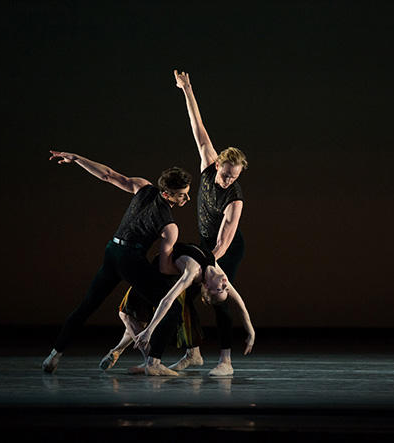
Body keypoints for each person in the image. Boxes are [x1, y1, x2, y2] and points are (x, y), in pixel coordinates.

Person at [41, 150, 192, 373]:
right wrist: (189, 270)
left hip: (112, 252)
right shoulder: (170, 227)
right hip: (131, 260)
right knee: (172, 310)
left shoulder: (143, 187)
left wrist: (78, 159)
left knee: (87, 305)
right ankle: (154, 363)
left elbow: (108, 175)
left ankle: (54, 356)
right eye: (182, 195)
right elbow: (163, 267)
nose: (187, 199)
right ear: (168, 194)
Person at [173, 69, 250, 376]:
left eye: (235, 176)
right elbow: (198, 127)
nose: (230, 179)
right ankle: (193, 353)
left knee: (218, 297)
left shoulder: (235, 198)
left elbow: (224, 241)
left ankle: (226, 362)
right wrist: (187, 90)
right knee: (184, 295)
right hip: (207, 244)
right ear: (218, 163)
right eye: (227, 173)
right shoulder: (208, 164)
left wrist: (208, 264)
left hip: (227, 248)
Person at [99, 242, 255, 376]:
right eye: (226, 289)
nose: (226, 286)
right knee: (132, 317)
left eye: (221, 289)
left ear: (207, 286)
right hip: (156, 272)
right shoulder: (215, 267)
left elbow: (167, 300)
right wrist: (250, 330)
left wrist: (149, 330)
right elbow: (240, 302)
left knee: (132, 315)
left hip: (156, 278)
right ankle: (129, 354)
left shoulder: (193, 272)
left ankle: (148, 360)